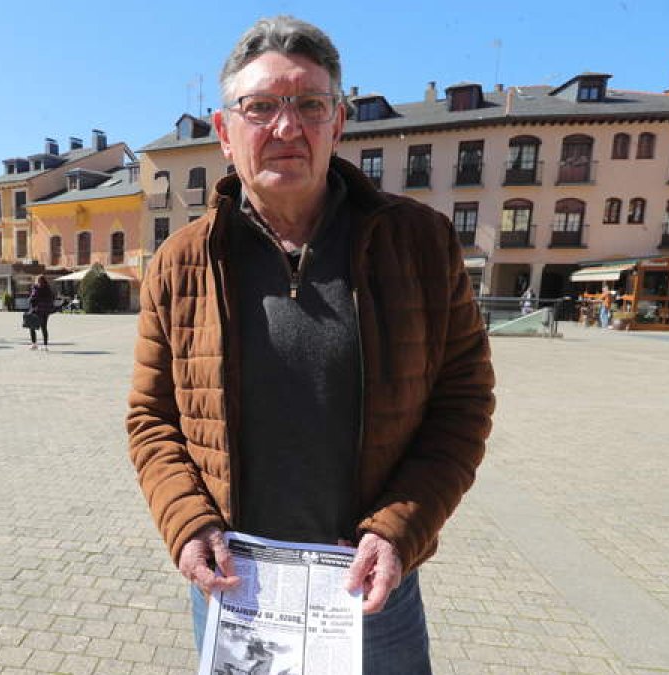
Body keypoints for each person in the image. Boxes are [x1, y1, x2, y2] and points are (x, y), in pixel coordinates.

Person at [125, 16, 495, 671]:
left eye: (310, 105)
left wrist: (399, 529)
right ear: (224, 132)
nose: (287, 128)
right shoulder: (180, 263)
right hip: (236, 587)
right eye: (261, 107)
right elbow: (151, 419)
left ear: (339, 122)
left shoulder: (421, 243)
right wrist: (188, 522)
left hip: (369, 585)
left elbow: (462, 403)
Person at [26, 274, 56, 350]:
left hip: (37, 310)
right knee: (44, 328)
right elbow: (52, 298)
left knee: (32, 327)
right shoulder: (48, 289)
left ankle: (34, 344)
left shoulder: (36, 288)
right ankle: (45, 346)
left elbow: (33, 298)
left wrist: (30, 300)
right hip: (46, 311)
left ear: (37, 281)